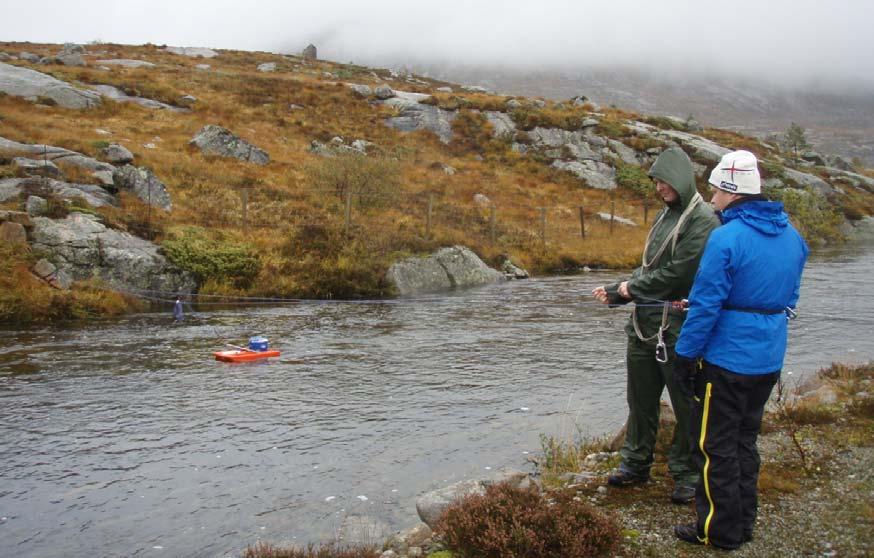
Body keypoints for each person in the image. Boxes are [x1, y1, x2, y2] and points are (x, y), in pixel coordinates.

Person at [672, 150, 808, 549]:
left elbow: (707, 305)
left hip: (727, 361)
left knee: (715, 446)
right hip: (768, 358)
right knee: (746, 440)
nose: (711, 197)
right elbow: (790, 298)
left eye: (715, 189)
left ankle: (717, 530)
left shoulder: (725, 238)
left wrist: (684, 356)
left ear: (731, 191)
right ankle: (744, 521)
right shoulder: (793, 238)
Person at [592, 146, 719, 504]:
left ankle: (687, 473)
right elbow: (651, 268)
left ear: (681, 178)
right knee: (641, 401)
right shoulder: (665, 216)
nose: (660, 188)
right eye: (656, 182)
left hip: (678, 328)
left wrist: (627, 289)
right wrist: (619, 292)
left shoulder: (704, 220)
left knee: (685, 404)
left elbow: (679, 273)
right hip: (644, 326)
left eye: (664, 181)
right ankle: (635, 464)